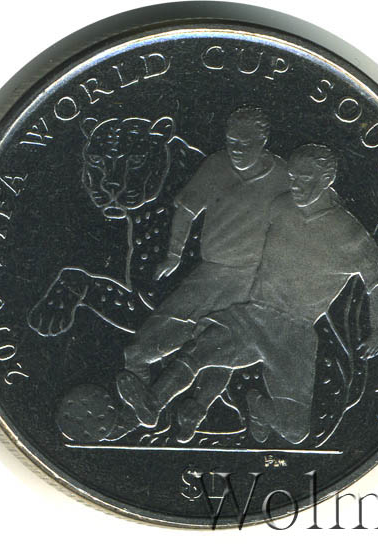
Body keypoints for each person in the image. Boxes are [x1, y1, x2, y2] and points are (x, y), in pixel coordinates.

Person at [118, 143, 378, 444]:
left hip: (294, 333)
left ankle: (256, 405)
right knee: (199, 351)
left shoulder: (349, 233)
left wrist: (376, 331)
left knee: (296, 432)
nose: (297, 186)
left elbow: (376, 281)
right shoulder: (280, 206)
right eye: (293, 178)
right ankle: (153, 403)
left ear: (327, 179)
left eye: (305, 179)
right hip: (254, 314)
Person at [109, 106, 289, 437]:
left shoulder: (284, 177)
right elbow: (187, 210)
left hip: (251, 281)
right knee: (139, 350)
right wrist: (173, 255)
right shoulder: (217, 165)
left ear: (263, 140)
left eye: (245, 143)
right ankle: (145, 412)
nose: (237, 149)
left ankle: (189, 408)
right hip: (210, 273)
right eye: (231, 142)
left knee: (215, 351)